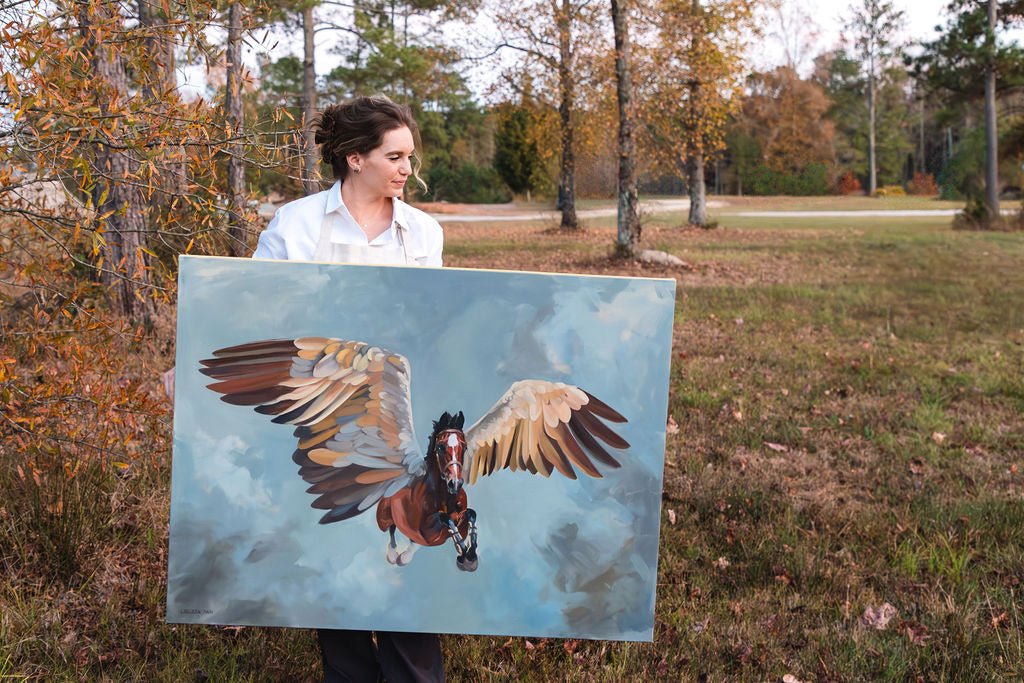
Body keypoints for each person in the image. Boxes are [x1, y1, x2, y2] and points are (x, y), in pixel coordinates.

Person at [254, 95, 445, 683]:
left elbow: (432, 320)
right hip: (321, 408)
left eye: (409, 156)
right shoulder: (298, 224)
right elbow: (253, 304)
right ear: (355, 158)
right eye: (395, 156)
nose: (407, 169)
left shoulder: (422, 231)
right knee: (337, 568)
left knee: (408, 597)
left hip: (394, 414)